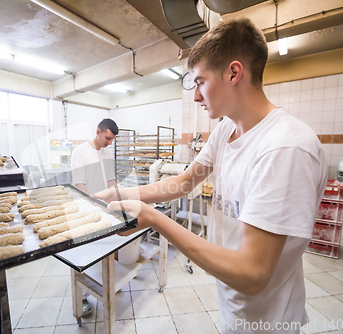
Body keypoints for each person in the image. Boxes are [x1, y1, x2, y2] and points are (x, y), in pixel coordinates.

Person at [95, 18, 327, 334]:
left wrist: (156, 219)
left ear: (234, 72)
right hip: (235, 307)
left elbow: (253, 273)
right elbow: (184, 182)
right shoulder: (225, 130)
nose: (195, 96)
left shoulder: (285, 147)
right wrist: (120, 195)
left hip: (269, 321)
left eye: (200, 82)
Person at [70, 118, 118, 316]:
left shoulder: (107, 153)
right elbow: (79, 184)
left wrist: (117, 201)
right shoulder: (80, 152)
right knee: (85, 254)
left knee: (105, 250)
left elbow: (112, 181)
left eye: (112, 139)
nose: (110, 142)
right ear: (98, 132)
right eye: (107, 138)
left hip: (105, 210)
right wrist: (95, 204)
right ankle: (81, 298)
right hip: (86, 211)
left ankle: (107, 283)